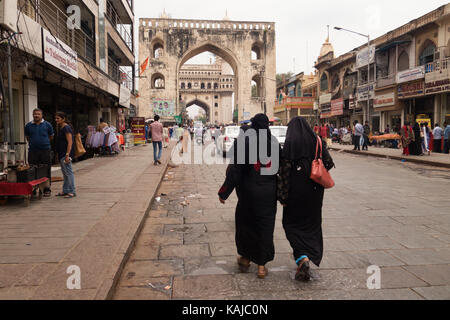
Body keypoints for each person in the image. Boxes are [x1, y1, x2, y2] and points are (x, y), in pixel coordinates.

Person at [218, 114, 279, 280]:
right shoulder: (273, 142)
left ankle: (245, 259)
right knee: (265, 227)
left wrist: (224, 191)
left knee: (246, 224)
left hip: (248, 192)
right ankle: (261, 266)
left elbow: (235, 170)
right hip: (268, 193)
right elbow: (281, 167)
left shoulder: (245, 142)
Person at [278, 116, 335, 281]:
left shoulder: (289, 144)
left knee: (290, 225)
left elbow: (284, 173)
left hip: (294, 193)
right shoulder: (317, 141)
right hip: (314, 192)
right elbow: (329, 163)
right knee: (312, 225)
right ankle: (309, 255)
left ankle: (302, 257)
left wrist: (282, 196)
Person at [25, 108, 54, 197]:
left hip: (45, 150)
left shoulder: (47, 125)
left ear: (42, 115)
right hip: (33, 151)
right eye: (35, 114)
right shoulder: (28, 125)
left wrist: (44, 143)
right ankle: (33, 188)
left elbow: (51, 136)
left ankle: (46, 189)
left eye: (38, 114)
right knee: (32, 170)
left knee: (46, 169)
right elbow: (27, 137)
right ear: (32, 115)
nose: (36, 115)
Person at [54, 112, 76, 198]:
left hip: (66, 154)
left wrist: (67, 155)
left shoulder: (66, 128)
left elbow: (70, 142)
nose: (56, 120)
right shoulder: (62, 128)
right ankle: (65, 190)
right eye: (55, 118)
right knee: (65, 173)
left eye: (58, 118)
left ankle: (71, 191)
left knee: (68, 173)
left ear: (63, 119)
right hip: (62, 153)